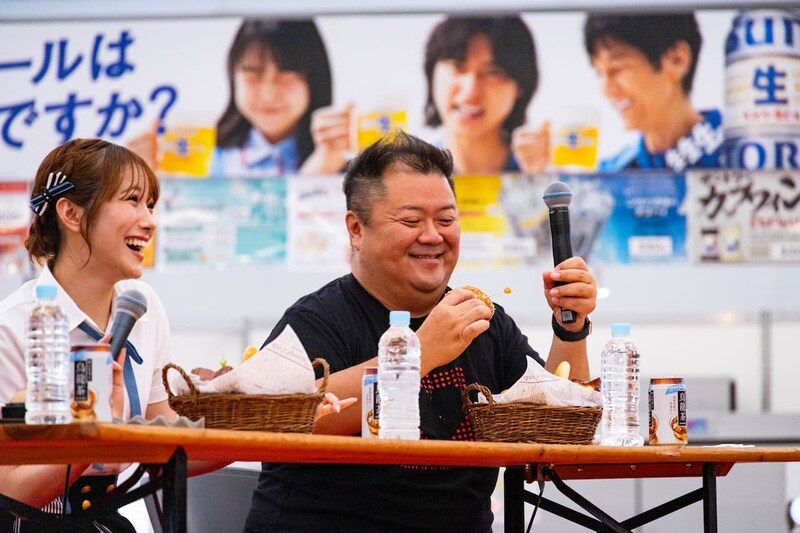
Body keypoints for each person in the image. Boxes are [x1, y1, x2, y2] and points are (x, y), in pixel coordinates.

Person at [244, 131, 597, 532]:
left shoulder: (481, 319)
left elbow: (558, 424)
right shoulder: (318, 319)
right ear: (356, 229)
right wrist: (417, 355)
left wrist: (570, 329)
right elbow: (279, 419)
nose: (433, 236)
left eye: (446, 220)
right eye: (411, 221)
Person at [0, 139, 351, 531]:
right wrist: (96, 434)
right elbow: (11, 493)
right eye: (132, 200)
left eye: (150, 205)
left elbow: (167, 448)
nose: (150, 221)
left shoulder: (142, 306)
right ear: (71, 213)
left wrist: (277, 420)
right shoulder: (11, 327)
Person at [128, 18, 352, 177]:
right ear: (233, 77)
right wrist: (146, 185)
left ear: (314, 80)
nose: (268, 94)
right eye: (253, 75)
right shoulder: (202, 156)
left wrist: (325, 167)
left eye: (286, 76)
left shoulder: (343, 161)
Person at [584, 13, 723, 172]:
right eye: (599, 74)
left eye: (617, 70)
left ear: (677, 60)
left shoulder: (740, 157)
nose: (607, 91)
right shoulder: (608, 176)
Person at [423, 16, 550, 175]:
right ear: (432, 73)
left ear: (520, 86)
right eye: (458, 66)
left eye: (492, 72)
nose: (470, 92)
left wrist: (536, 179)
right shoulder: (412, 175)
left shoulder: (539, 173)